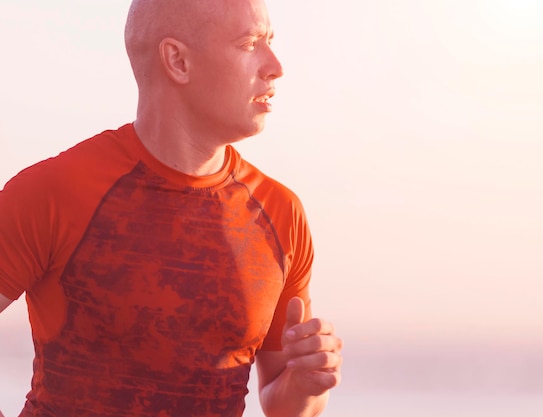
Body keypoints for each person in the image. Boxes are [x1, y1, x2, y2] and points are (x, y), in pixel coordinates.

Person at [0, 0, 343, 415]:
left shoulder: (280, 212)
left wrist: (306, 385)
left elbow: (280, 403)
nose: (275, 66)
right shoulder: (53, 192)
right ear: (177, 61)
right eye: (250, 43)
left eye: (270, 41)